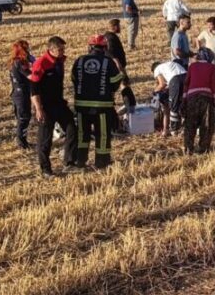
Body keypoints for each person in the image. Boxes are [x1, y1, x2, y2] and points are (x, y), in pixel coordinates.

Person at [73, 35, 126, 169]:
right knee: (102, 135)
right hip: (102, 106)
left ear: (90, 47)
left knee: (82, 134)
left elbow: (73, 79)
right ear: (104, 48)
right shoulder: (108, 62)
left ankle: (80, 160)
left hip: (82, 105)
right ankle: (101, 162)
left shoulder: (79, 60)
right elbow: (114, 82)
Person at [29, 36, 78, 178]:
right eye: (60, 49)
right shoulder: (41, 64)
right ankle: (46, 169)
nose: (63, 51)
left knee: (72, 129)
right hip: (45, 107)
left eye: (63, 49)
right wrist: (38, 109)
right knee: (45, 139)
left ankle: (69, 162)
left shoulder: (60, 61)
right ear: (51, 49)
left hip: (59, 103)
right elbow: (34, 89)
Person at [183, 48, 215, 154]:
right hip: (206, 98)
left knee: (190, 124)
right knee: (206, 124)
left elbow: (186, 83)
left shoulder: (192, 66)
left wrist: (184, 98)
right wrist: (214, 97)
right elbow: (214, 84)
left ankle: (188, 148)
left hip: (191, 98)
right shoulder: (212, 67)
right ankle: (203, 148)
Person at [104, 19, 137, 109]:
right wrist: (120, 69)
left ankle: (111, 103)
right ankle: (128, 104)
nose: (120, 28)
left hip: (113, 66)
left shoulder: (107, 36)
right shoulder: (111, 38)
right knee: (124, 84)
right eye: (119, 26)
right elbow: (112, 54)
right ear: (114, 27)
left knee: (112, 86)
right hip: (117, 67)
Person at [9, 40, 34, 149]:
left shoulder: (15, 61)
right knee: (24, 117)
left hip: (18, 92)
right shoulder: (19, 63)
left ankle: (22, 140)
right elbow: (31, 76)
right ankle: (21, 142)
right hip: (21, 93)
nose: (29, 51)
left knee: (23, 117)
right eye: (27, 49)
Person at [151, 59, 186, 137]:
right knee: (183, 104)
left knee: (174, 105)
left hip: (176, 80)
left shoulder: (157, 69)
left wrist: (154, 92)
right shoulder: (169, 65)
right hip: (186, 77)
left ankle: (174, 129)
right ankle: (185, 127)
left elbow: (162, 84)